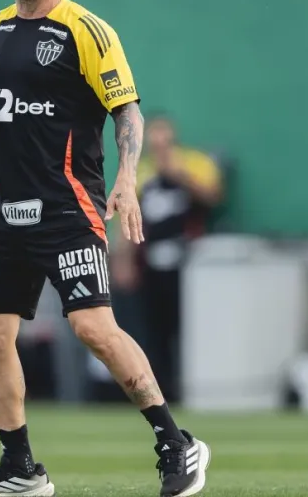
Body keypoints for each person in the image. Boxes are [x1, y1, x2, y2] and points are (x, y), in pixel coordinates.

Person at [0, 0, 211, 497]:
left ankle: (176, 442)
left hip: (67, 206)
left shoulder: (86, 31)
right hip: (3, 206)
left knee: (93, 327)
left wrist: (127, 180)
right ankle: (21, 469)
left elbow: (127, 112)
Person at [111, 113, 224, 402]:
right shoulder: (139, 171)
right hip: (150, 263)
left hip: (188, 263)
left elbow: (213, 197)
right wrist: (123, 261)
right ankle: (160, 392)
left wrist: (179, 174)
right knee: (152, 330)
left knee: (188, 328)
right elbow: (126, 218)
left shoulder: (194, 163)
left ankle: (193, 388)